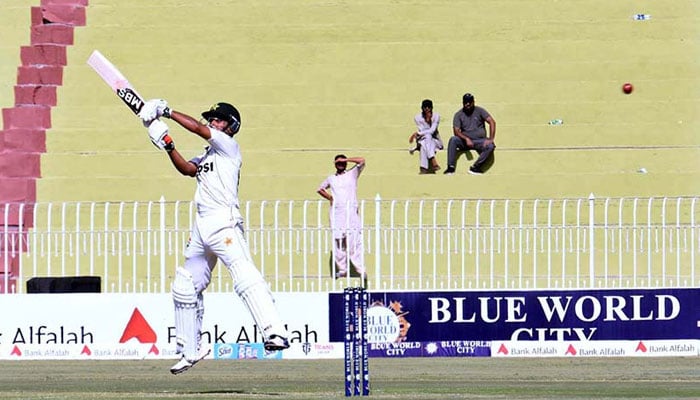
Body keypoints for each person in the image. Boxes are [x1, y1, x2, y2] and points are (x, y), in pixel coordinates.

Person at [138, 99, 289, 375]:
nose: (212, 122)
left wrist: (166, 111)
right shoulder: (208, 155)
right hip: (201, 227)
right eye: (212, 119)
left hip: (224, 223)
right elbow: (187, 169)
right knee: (184, 285)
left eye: (218, 120)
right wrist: (168, 144)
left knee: (244, 275)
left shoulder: (229, 148)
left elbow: (197, 128)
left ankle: (275, 332)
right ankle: (190, 350)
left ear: (231, 126)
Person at [316, 155, 367, 285]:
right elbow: (320, 189)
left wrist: (347, 160)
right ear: (334, 164)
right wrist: (330, 198)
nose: (340, 164)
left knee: (354, 240)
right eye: (338, 162)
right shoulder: (331, 178)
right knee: (339, 241)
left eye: (342, 162)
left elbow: (362, 161)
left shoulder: (352, 174)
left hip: (351, 210)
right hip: (337, 211)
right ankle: (342, 268)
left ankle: (360, 268)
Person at [443, 93, 496, 175]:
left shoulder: (480, 110)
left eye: (469, 102)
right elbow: (456, 131)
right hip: (465, 142)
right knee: (453, 139)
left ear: (473, 102)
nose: (467, 104)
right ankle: (450, 167)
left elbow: (492, 122)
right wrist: (466, 139)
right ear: (463, 103)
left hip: (479, 141)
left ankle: (476, 167)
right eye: (465, 102)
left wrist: (491, 138)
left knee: (490, 146)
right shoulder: (458, 114)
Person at [408, 99, 443, 174]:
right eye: (425, 107)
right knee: (426, 138)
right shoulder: (418, 118)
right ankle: (433, 160)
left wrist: (429, 121)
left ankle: (423, 168)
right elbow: (423, 133)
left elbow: (432, 131)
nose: (427, 109)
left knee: (425, 141)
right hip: (422, 140)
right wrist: (419, 133)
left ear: (432, 108)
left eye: (429, 107)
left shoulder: (436, 116)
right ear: (422, 108)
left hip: (435, 142)